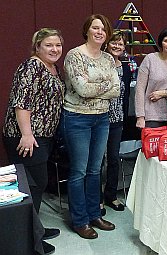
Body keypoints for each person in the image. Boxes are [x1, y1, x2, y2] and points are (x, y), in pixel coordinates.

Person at [2, 28, 64, 254]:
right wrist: (26, 134)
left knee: (36, 184)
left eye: (57, 45)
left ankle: (35, 228)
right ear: (37, 46)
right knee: (33, 185)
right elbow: (22, 103)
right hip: (25, 137)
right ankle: (30, 239)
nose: (54, 49)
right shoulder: (32, 67)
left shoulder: (53, 68)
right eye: (48, 45)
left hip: (43, 137)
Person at [60, 14, 120, 239]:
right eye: (95, 28)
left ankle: (95, 214)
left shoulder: (107, 58)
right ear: (87, 30)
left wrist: (95, 84)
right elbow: (81, 90)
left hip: (102, 118)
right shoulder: (75, 55)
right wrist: (104, 85)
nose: (99, 32)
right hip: (77, 118)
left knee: (96, 170)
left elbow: (117, 90)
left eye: (103, 29)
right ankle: (80, 220)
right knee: (79, 171)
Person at [100, 31, 129, 216]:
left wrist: (124, 118)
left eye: (121, 44)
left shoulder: (125, 67)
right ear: (107, 44)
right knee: (97, 162)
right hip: (99, 118)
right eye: (114, 43)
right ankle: (97, 200)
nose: (117, 46)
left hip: (117, 120)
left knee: (113, 159)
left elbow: (125, 96)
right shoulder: (101, 63)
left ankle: (110, 195)